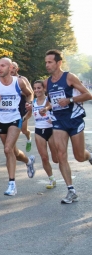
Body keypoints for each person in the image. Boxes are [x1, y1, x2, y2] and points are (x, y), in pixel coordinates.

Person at [42, 49, 92, 204]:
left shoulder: (69, 77)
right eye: (46, 62)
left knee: (79, 156)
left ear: (58, 63)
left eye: (50, 62)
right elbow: (51, 101)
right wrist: (46, 107)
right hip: (58, 121)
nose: (47, 65)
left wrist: (69, 100)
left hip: (74, 119)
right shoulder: (47, 82)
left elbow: (88, 95)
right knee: (61, 154)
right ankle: (71, 191)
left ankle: (89, 156)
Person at [0, 57, 35, 196]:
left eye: (3, 66)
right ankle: (28, 161)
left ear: (10, 67)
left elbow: (29, 94)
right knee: (13, 152)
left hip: (15, 118)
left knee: (7, 149)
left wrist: (29, 103)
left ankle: (12, 184)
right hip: (0, 119)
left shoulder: (19, 82)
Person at [23, 80, 58, 189]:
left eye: (39, 88)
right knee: (44, 157)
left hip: (51, 130)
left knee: (56, 158)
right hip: (39, 131)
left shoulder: (49, 100)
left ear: (44, 89)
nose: (37, 90)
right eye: (35, 88)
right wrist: (22, 118)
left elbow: (57, 110)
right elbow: (28, 115)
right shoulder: (32, 103)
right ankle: (51, 179)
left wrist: (53, 120)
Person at [11, 62, 33, 152]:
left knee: (23, 130)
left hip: (22, 106)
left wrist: (29, 103)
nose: (11, 70)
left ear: (17, 69)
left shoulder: (22, 79)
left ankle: (29, 139)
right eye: (10, 68)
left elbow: (31, 92)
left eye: (13, 68)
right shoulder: (6, 80)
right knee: (13, 130)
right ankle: (13, 148)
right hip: (12, 109)